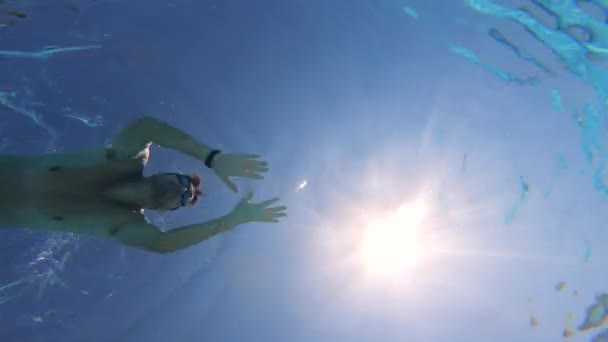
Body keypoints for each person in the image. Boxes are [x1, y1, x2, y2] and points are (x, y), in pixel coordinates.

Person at [0, 116, 287, 253]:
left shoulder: (123, 224)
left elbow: (164, 244)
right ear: (163, 173)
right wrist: (211, 158)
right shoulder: (124, 161)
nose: (183, 190)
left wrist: (231, 221)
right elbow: (146, 128)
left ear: (167, 211)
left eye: (184, 199)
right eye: (183, 182)